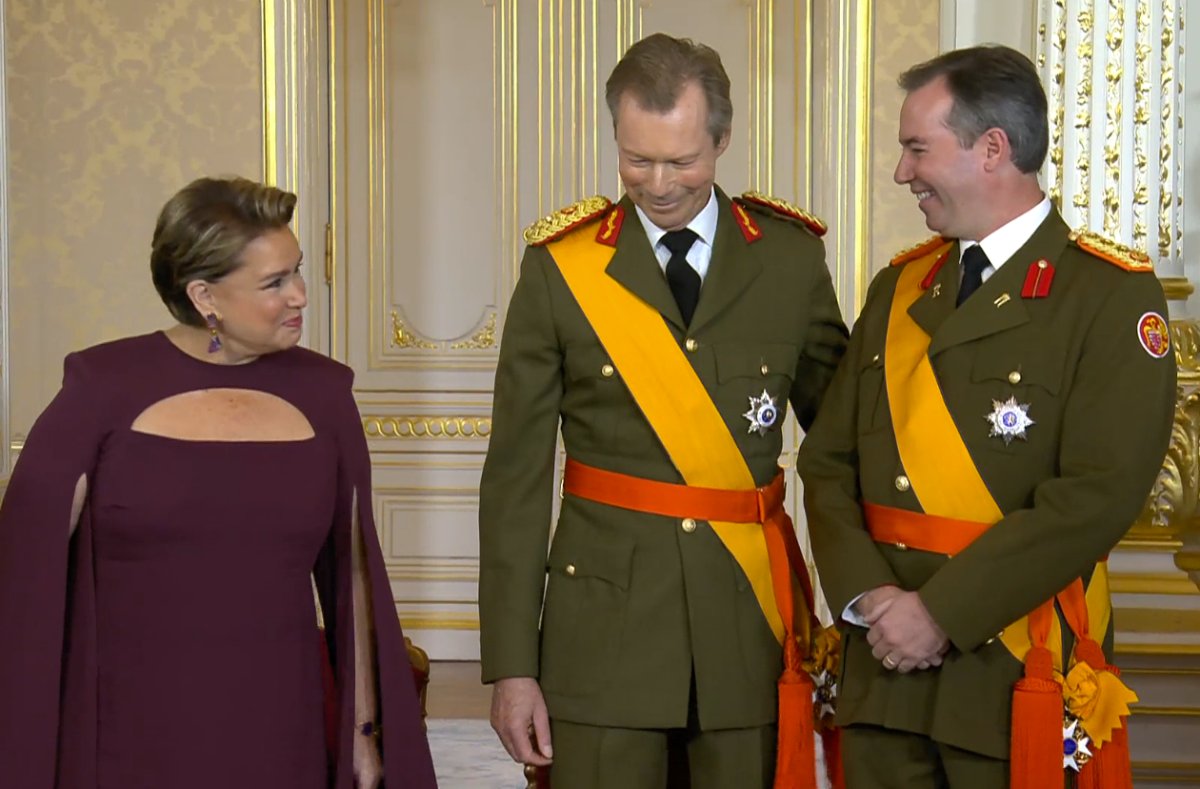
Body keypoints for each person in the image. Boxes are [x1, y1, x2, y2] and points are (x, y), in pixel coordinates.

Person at [797, 45, 1176, 788]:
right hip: (883, 673)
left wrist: (938, 614)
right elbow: (828, 462)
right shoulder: (901, 287)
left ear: (993, 149)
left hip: (1010, 675)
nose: (902, 172)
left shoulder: (1108, 295)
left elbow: (1095, 496)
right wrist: (873, 599)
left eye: (917, 149)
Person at [479, 33, 848, 789]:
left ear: (722, 139)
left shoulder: (789, 259)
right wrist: (512, 667)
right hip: (601, 633)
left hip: (744, 624)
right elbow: (515, 481)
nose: (658, 184)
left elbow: (844, 442)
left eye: (682, 161)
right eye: (636, 159)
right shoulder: (560, 268)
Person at [0, 176, 437, 789]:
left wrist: (364, 736)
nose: (301, 295)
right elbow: (24, 588)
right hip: (124, 737)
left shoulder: (326, 394)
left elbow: (355, 579)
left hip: (279, 732)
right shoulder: (99, 389)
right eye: (274, 282)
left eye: (297, 271)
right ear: (204, 295)